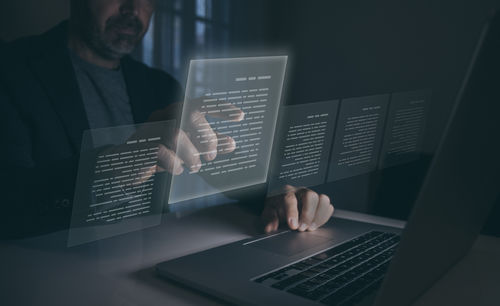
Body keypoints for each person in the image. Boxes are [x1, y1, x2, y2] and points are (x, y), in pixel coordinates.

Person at [0, 0, 334, 238]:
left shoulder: (159, 85)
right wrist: (111, 168)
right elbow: (9, 200)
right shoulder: (11, 68)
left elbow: (220, 167)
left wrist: (276, 195)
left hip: (148, 263)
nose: (134, 9)